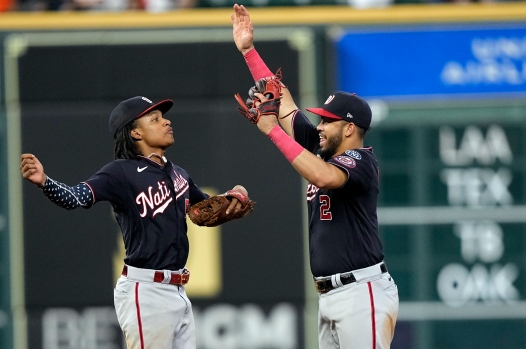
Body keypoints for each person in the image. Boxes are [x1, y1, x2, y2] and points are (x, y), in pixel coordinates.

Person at [20, 95, 252, 349]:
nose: (166, 122)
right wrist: (45, 182)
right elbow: (76, 197)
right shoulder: (120, 172)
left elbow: (204, 210)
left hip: (177, 290)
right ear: (135, 133)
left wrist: (230, 201)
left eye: (163, 117)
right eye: (155, 119)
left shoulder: (178, 173)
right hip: (146, 290)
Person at [231, 4, 399, 349]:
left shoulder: (360, 161)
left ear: (350, 127)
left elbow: (325, 178)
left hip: (361, 292)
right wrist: (249, 52)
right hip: (332, 294)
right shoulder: (322, 148)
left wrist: (272, 133)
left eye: (327, 121)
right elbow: (283, 103)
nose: (319, 126)